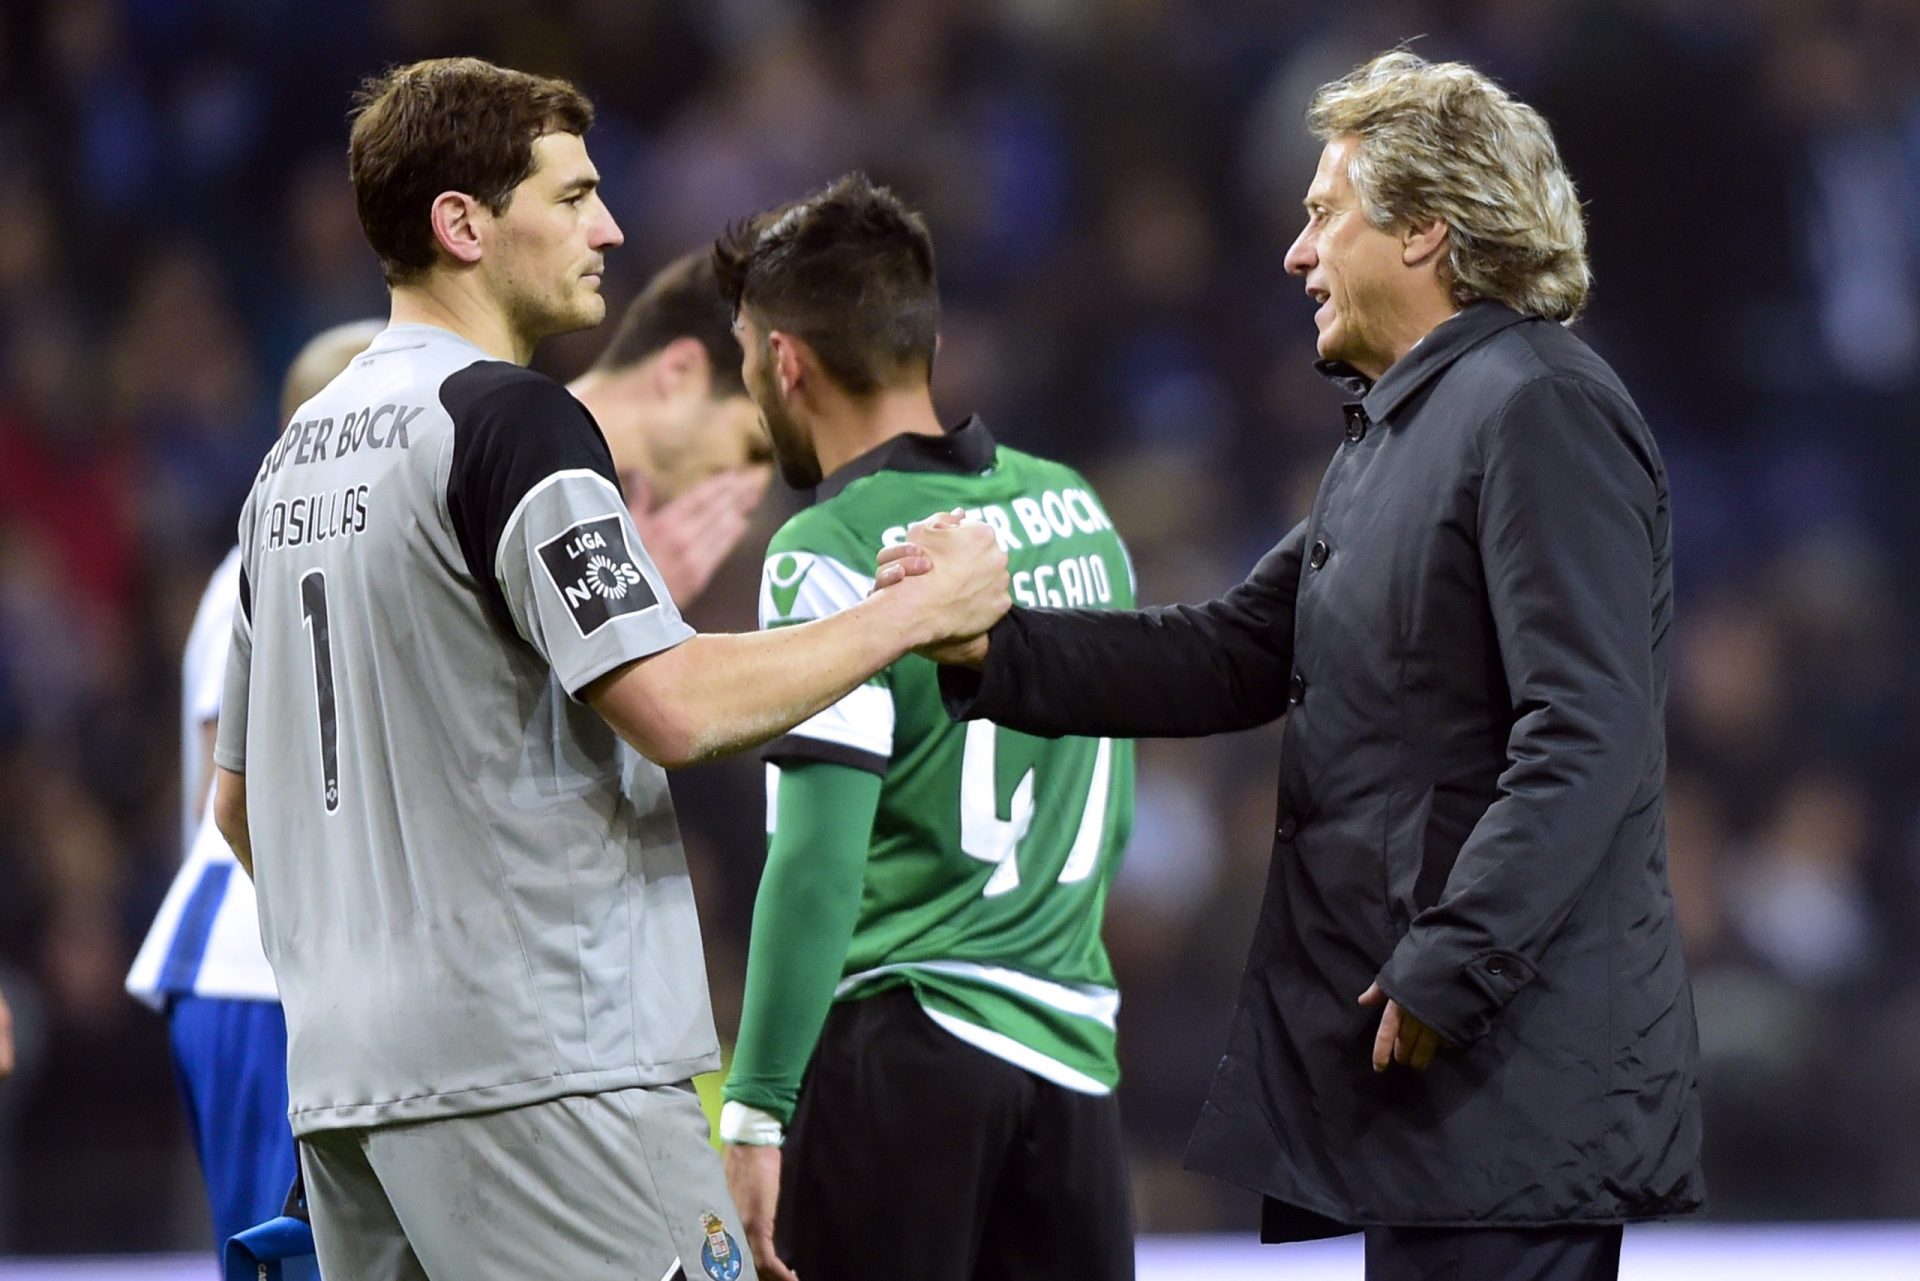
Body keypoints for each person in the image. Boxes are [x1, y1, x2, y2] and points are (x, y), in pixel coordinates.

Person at [901, 50, 1704, 1281]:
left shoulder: (1537, 406)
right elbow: (1229, 654)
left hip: (1510, 1079)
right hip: (1443, 1086)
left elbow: (1589, 730)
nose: (1295, 251)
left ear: (1429, 229)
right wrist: (987, 649)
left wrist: (1451, 962)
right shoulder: (1405, 435)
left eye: (1323, 212)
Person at [208, 57, 1005, 1281]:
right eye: (573, 197)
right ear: (463, 224)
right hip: (544, 1071)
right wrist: (906, 613)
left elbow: (239, 804)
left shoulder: (287, 467)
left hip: (348, 1088)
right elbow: (674, 708)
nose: (611, 228)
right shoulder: (509, 422)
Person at [712, 174, 1139, 1281]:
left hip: (906, 1050)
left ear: (786, 361)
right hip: (1076, 1063)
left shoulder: (834, 547)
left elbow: (815, 858)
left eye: (747, 356)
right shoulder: (1078, 510)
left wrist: (756, 1108)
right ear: (927, 339)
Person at [124, 321, 380, 1256]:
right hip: (258, 968)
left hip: (302, 970)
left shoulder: (301, 559)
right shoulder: (263, 564)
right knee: (291, 1257)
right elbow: (222, 802)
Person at [568, 250, 771, 606]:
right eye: (755, 448)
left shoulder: (596, 518)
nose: (756, 489)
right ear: (680, 373)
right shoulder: (491, 466)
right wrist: (635, 604)